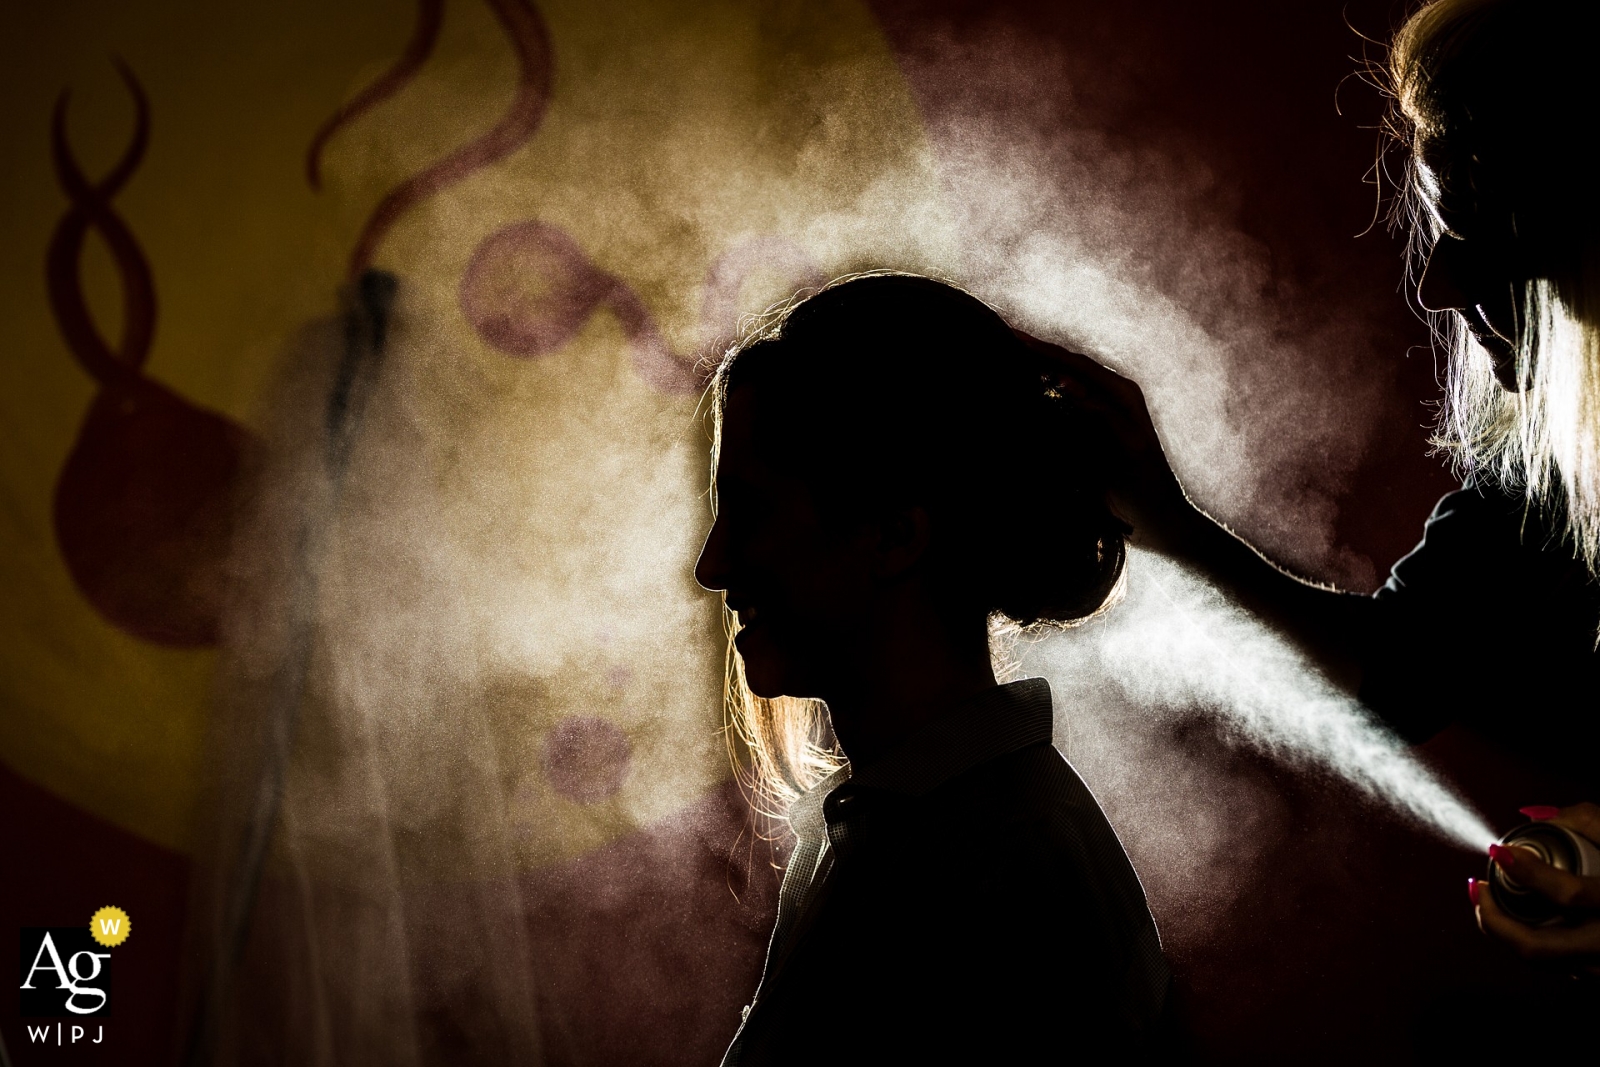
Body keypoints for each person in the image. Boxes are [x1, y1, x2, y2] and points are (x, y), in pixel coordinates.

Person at [1031, 0, 1600, 978]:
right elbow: (1396, 672)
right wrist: (1168, 520)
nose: (1438, 286)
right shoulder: (1531, 497)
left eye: (1478, 230)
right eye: (1439, 230)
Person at [694, 273, 1171, 1064]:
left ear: (894, 536)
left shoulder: (991, 871)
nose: (712, 566)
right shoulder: (892, 828)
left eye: (751, 509)